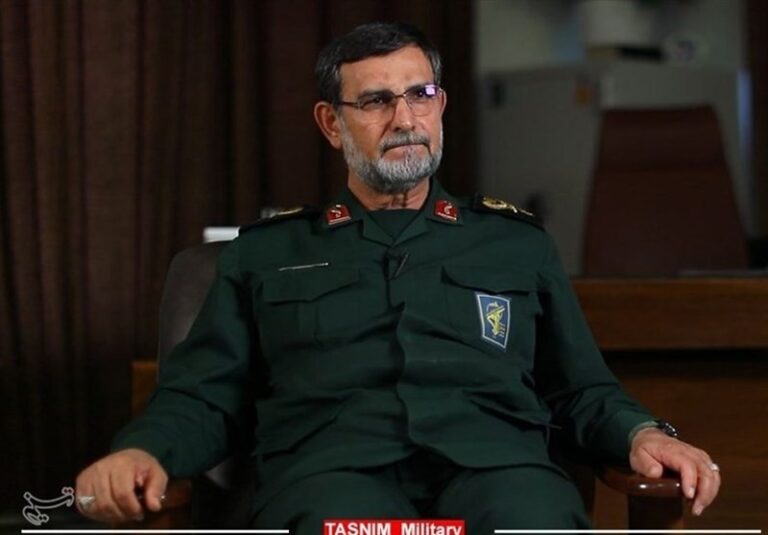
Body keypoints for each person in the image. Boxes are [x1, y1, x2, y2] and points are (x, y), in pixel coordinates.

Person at [75, 22, 720, 532]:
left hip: (498, 470)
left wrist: (642, 434)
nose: (405, 120)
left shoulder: (516, 245)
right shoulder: (266, 255)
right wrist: (143, 451)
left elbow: (579, 388)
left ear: (442, 105)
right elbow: (203, 397)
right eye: (376, 101)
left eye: (420, 95)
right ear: (332, 123)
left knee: (534, 520)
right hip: (333, 472)